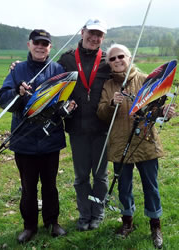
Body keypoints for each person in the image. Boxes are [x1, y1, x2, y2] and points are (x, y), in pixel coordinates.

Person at [0, 29, 76, 243]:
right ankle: (29, 226)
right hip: (24, 141)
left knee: (50, 185)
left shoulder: (57, 69)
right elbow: (3, 100)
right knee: (28, 187)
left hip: (50, 140)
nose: (41, 47)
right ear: (29, 44)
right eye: (37, 43)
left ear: (50, 47)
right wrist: (17, 94)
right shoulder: (17, 70)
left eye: (45, 44)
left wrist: (67, 107)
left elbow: (62, 102)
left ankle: (52, 222)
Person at [97, 44, 176, 249]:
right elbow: (101, 114)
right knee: (124, 187)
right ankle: (127, 222)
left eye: (120, 56)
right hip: (119, 144)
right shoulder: (108, 86)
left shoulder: (145, 80)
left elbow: (157, 110)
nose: (117, 61)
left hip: (145, 142)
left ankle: (155, 224)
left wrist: (165, 112)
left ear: (129, 58)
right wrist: (111, 104)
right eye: (112, 59)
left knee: (151, 186)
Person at [57, 18, 111, 231]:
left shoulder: (108, 61)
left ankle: (97, 213)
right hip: (77, 129)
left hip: (101, 129)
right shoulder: (67, 60)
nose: (94, 37)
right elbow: (50, 79)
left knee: (100, 176)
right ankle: (84, 214)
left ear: (103, 38)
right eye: (91, 32)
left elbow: (128, 75)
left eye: (99, 34)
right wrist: (18, 64)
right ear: (82, 32)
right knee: (81, 177)